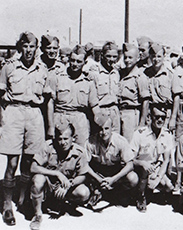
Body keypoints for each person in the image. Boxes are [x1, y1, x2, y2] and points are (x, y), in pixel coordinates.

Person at [0, 32, 49, 226]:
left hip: (34, 114)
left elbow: (47, 100)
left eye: (32, 47)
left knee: (29, 161)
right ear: (20, 47)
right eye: (25, 46)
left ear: (36, 48)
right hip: (14, 112)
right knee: (12, 162)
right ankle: (6, 205)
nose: (29, 50)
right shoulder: (9, 67)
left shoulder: (42, 69)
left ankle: (23, 200)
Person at [30, 122, 90, 230]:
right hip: (48, 186)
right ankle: (37, 215)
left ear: (73, 138)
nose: (62, 142)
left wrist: (69, 185)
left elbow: (83, 175)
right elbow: (33, 167)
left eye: (66, 139)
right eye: (60, 139)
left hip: (64, 187)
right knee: (38, 179)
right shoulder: (48, 146)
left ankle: (60, 202)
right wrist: (57, 174)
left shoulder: (80, 152)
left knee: (84, 192)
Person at [47, 45, 100, 146]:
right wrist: (50, 126)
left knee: (81, 151)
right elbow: (50, 103)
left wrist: (102, 123)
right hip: (61, 118)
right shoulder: (57, 77)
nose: (75, 64)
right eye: (72, 60)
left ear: (85, 62)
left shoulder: (89, 82)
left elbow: (94, 106)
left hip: (80, 120)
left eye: (79, 61)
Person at [84, 113, 138, 207]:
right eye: (100, 129)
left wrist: (113, 179)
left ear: (111, 128)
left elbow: (130, 165)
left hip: (115, 172)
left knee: (133, 178)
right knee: (83, 174)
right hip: (98, 173)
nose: (104, 132)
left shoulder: (120, 141)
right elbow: (84, 165)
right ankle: (97, 191)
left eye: (106, 128)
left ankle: (116, 193)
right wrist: (99, 179)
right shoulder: (90, 142)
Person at [131, 104, 175, 212]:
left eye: (163, 118)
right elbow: (130, 159)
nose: (160, 120)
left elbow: (166, 160)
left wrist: (158, 178)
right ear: (150, 117)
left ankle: (149, 191)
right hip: (141, 168)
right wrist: (142, 163)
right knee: (144, 170)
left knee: (169, 186)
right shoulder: (139, 134)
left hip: (156, 167)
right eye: (157, 117)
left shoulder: (167, 134)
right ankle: (140, 197)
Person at [118, 43, 150, 142]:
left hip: (132, 114)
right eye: (126, 57)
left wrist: (141, 123)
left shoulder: (140, 76)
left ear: (137, 58)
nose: (127, 60)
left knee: (129, 144)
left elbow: (146, 101)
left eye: (130, 58)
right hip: (119, 113)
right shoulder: (121, 73)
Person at [88, 41, 121, 133]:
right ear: (102, 55)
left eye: (114, 57)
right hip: (101, 111)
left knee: (115, 140)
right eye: (108, 56)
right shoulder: (94, 72)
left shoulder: (116, 72)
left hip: (114, 111)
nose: (111, 59)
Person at [143, 43, 173, 127]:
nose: (156, 59)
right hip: (150, 114)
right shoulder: (145, 73)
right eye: (153, 56)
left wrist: (173, 118)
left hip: (165, 114)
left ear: (164, 56)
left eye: (159, 56)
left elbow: (176, 98)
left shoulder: (170, 74)